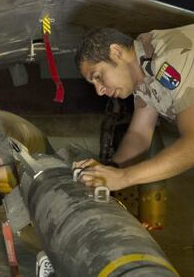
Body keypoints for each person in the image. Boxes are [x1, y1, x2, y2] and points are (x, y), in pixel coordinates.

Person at [73, 24, 194, 191]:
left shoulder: (170, 55)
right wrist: (109, 171)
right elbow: (139, 135)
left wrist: (124, 177)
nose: (99, 91)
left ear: (116, 52)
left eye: (98, 76)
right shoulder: (143, 73)